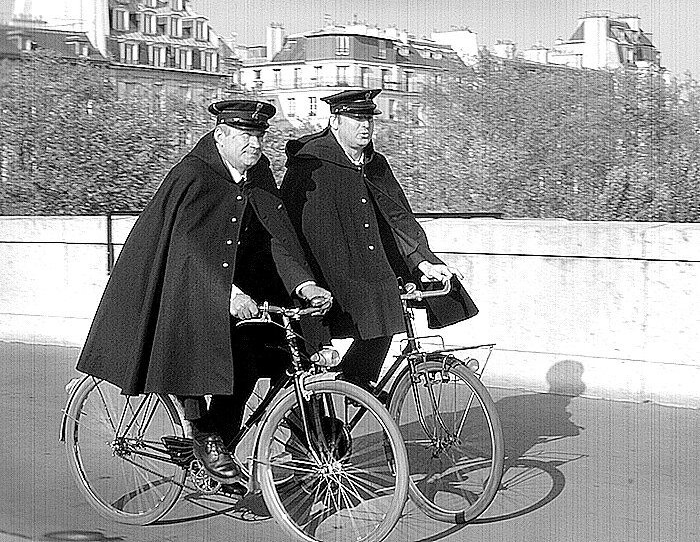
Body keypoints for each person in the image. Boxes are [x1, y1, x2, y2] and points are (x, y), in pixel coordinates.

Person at [77, 99, 332, 493]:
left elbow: (274, 234)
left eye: (259, 136)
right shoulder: (193, 175)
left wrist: (303, 284)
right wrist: (225, 293)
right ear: (221, 135)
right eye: (246, 136)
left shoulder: (256, 172)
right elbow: (186, 250)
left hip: (231, 284)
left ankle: (219, 447)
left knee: (252, 357)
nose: (255, 145)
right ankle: (202, 433)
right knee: (183, 350)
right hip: (179, 289)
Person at [280, 88, 478, 392]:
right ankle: (312, 416)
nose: (365, 126)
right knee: (307, 364)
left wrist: (423, 262)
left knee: (386, 313)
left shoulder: (375, 163)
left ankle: (356, 386)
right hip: (322, 275)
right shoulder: (310, 162)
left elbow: (397, 218)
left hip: (367, 272)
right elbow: (287, 229)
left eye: (369, 119)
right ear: (335, 121)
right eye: (356, 119)